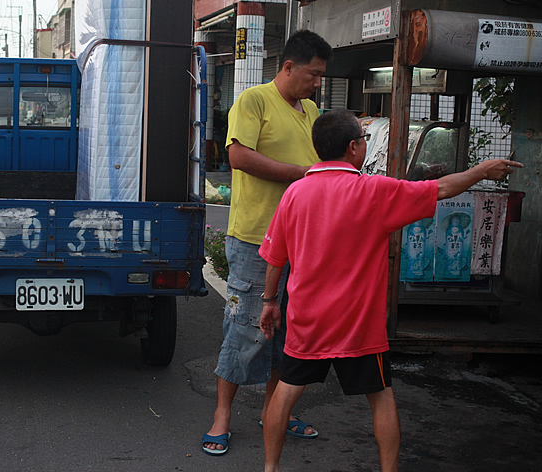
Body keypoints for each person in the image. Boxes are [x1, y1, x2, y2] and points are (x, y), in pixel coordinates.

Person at [258, 109, 523, 472]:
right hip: (359, 324)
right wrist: (482, 170)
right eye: (364, 140)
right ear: (353, 147)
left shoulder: (295, 193)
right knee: (381, 398)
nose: (365, 146)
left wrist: (270, 302)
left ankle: (271, 468)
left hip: (307, 319)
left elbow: (276, 258)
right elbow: (441, 188)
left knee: (286, 391)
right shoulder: (375, 191)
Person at [202, 30, 333, 456]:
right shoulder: (254, 100)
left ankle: (275, 411)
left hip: (303, 244)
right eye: (313, 74)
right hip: (256, 240)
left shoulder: (312, 110)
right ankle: (222, 415)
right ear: (289, 66)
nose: (317, 84)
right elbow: (237, 156)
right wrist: (300, 174)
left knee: (290, 333)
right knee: (245, 329)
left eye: (321, 77)